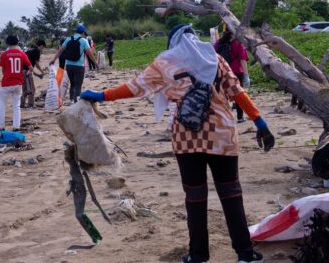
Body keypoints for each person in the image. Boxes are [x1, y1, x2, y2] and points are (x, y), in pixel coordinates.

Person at [81, 24, 274, 263]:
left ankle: (198, 255)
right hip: (223, 136)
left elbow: (134, 88)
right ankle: (245, 254)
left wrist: (101, 95)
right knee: (232, 194)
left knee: (195, 198)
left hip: (186, 137)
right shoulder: (213, 58)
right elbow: (238, 92)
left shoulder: (165, 63)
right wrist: (260, 122)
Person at [49, 25, 97, 103]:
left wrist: (54, 60)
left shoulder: (68, 39)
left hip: (68, 65)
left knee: (72, 84)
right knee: (78, 85)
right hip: (79, 66)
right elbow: (89, 53)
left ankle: (71, 101)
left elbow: (60, 50)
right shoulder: (83, 41)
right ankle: (77, 102)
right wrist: (95, 63)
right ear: (83, 32)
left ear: (75, 31)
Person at [0, 35, 32, 131]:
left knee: (2, 104)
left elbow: (3, 70)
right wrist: (27, 74)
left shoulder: (5, 54)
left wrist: (6, 75)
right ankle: (16, 126)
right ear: (17, 43)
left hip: (7, 82)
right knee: (16, 105)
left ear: (7, 43)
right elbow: (30, 67)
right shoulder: (22, 54)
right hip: (18, 82)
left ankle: (1, 126)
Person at [215, 31, 250, 123]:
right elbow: (243, 60)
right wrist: (246, 75)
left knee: (223, 95)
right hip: (236, 71)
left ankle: (225, 118)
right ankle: (240, 117)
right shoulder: (238, 43)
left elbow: (213, 56)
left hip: (222, 71)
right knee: (238, 95)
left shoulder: (218, 42)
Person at [21, 40, 46, 109]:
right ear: (41, 46)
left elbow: (30, 65)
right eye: (43, 47)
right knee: (31, 89)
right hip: (26, 72)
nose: (42, 49)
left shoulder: (30, 51)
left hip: (21, 71)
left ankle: (21, 105)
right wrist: (42, 72)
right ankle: (30, 105)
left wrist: (38, 74)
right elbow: (36, 64)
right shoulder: (37, 52)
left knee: (25, 89)